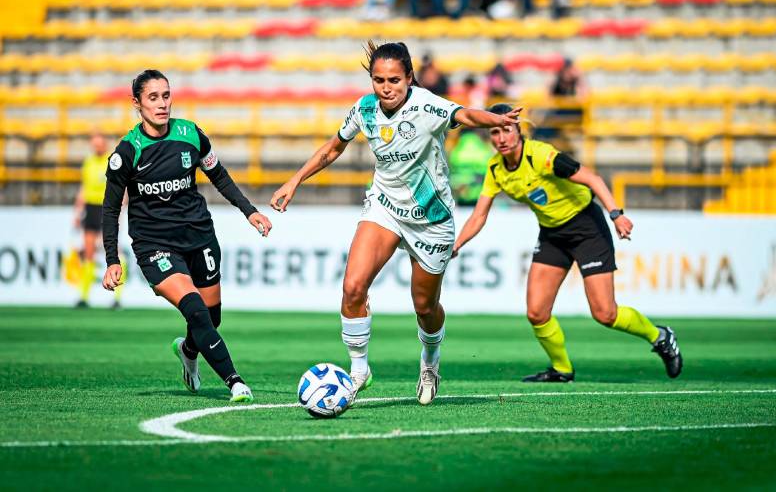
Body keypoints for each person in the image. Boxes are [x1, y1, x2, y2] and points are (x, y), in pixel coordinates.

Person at [270, 43, 521, 405]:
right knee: (353, 287)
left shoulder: (426, 105)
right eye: (378, 80)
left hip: (431, 219)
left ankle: (430, 362)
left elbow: (465, 115)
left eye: (394, 80)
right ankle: (358, 372)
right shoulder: (364, 108)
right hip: (384, 207)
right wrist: (294, 181)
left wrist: (495, 120)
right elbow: (333, 147)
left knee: (424, 306)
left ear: (409, 79)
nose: (386, 88)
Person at [453, 104, 683, 383]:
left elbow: (593, 179)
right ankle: (561, 369)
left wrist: (616, 215)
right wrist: (456, 245)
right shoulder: (495, 169)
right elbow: (479, 216)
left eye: (506, 130)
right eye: (494, 132)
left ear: (519, 131)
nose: (501, 138)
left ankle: (660, 336)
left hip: (587, 228)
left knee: (605, 314)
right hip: (552, 234)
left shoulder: (541, 156)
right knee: (536, 312)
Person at [102, 69, 272, 403]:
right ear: (136, 103)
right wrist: (111, 259)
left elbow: (218, 175)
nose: (162, 104)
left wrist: (249, 211)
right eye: (153, 98)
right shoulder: (127, 153)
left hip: (199, 236)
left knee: (211, 318)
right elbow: (109, 209)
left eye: (166, 95)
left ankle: (188, 350)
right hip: (155, 246)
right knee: (194, 310)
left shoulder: (191, 134)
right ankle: (235, 382)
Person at [73, 131, 122, 309]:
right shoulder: (88, 162)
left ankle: (117, 297)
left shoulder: (113, 161)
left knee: (113, 250)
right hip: (91, 208)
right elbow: (84, 188)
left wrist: (119, 211)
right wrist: (77, 212)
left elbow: (121, 188)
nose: (97, 147)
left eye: (99, 144)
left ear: (105, 145)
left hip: (106, 208)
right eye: (94, 144)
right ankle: (84, 296)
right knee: (88, 252)